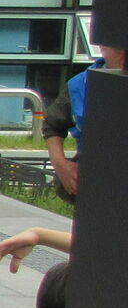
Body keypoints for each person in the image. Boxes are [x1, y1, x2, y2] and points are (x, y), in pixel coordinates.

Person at [43, 44, 125, 201]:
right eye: (119, 49)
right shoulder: (79, 85)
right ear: (102, 47)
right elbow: (52, 125)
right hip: (96, 183)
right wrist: (60, 164)